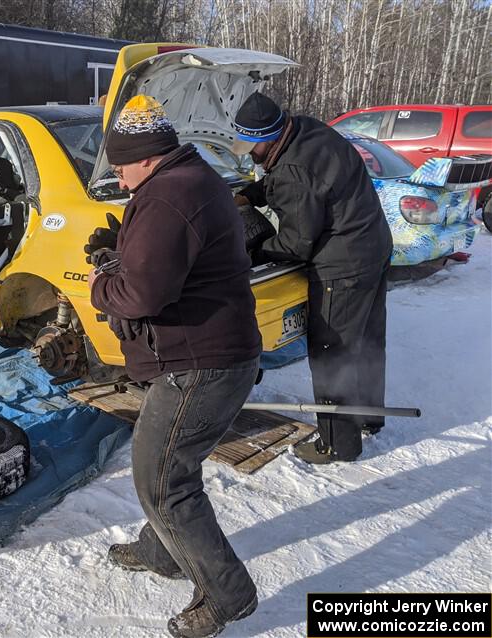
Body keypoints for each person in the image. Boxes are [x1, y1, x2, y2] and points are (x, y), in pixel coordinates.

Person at [87, 94, 262, 638]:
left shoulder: (166, 197)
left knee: (162, 480)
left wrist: (101, 281)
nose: (117, 177)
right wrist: (124, 246)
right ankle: (161, 552)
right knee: (165, 465)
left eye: (119, 166)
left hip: (200, 363)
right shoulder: (190, 178)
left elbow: (140, 294)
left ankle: (228, 594)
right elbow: (167, 257)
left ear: (145, 155)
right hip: (212, 352)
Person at [231, 92, 393, 465]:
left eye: (252, 147)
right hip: (373, 245)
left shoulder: (292, 172)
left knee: (331, 351)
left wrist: (252, 250)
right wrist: (250, 195)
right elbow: (289, 175)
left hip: (343, 266)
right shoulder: (306, 129)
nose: (248, 154)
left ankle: (338, 443)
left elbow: (295, 244)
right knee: (367, 340)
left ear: (270, 138)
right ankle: (369, 416)